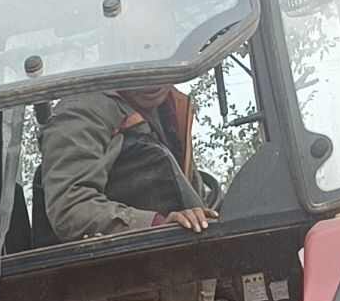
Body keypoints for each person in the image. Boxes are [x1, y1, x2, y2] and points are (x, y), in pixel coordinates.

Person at [41, 83, 215, 244]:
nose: (152, 78)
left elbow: (189, 195)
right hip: (120, 267)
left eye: (156, 52)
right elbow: (70, 208)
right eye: (140, 52)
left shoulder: (171, 109)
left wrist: (206, 218)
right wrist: (156, 226)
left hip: (184, 256)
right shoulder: (81, 111)